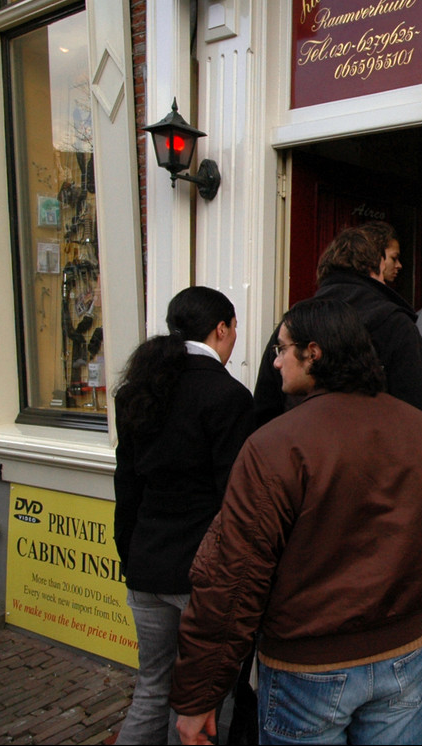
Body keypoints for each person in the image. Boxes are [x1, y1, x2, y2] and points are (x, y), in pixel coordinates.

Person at [170, 298, 422, 746]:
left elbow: (233, 579)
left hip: (310, 671)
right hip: (400, 657)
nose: (274, 361)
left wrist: (198, 696)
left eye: (281, 348)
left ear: (315, 353)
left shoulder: (274, 445)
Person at [112, 286, 254, 745]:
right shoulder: (228, 395)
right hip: (202, 576)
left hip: (147, 564)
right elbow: (234, 499)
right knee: (205, 699)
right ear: (221, 328)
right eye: (234, 330)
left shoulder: (140, 388)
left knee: (151, 688)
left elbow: (127, 486)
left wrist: (131, 558)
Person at [253, 224, 422, 425]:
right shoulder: (394, 324)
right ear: (377, 266)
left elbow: (265, 408)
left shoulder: (291, 326)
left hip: (297, 447)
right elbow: (420, 412)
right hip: (374, 449)